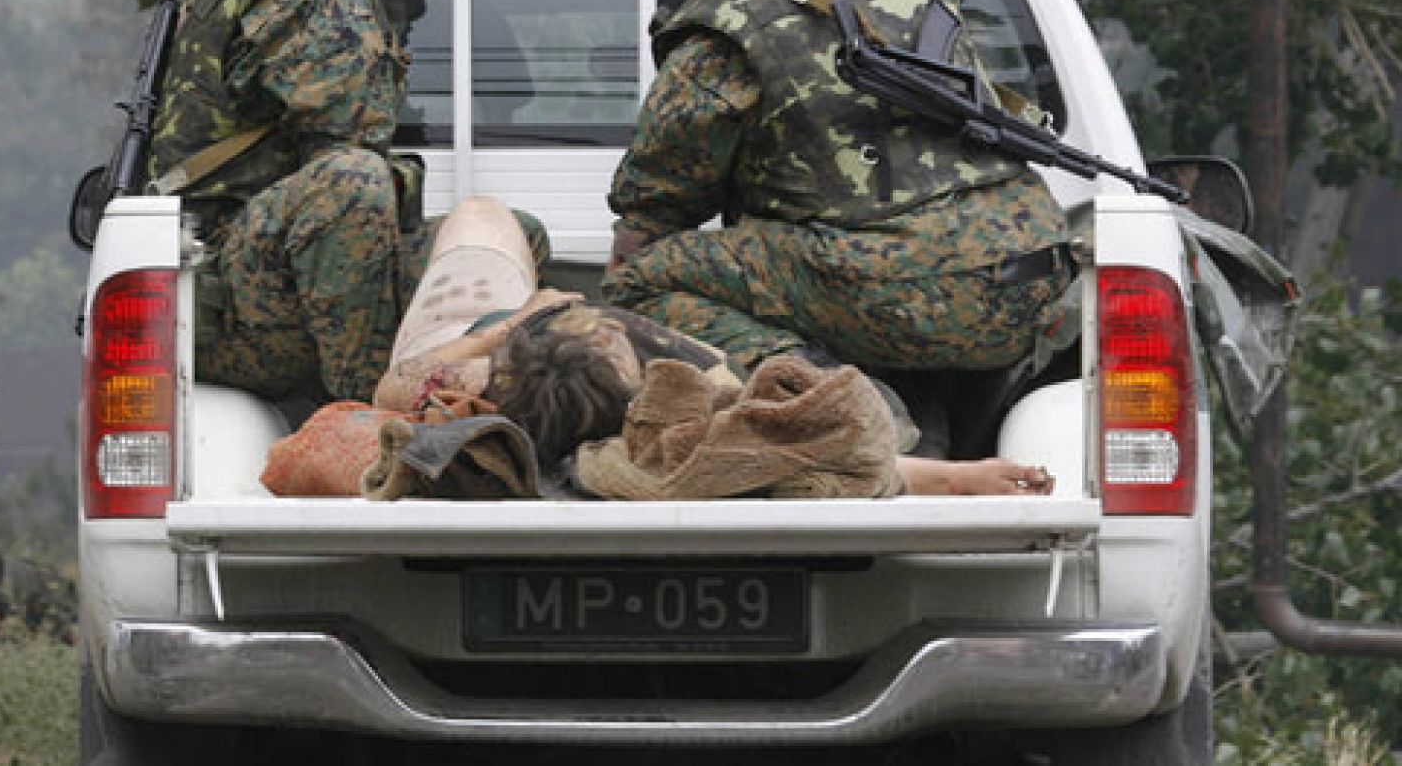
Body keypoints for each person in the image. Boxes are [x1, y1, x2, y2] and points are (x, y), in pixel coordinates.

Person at [602, 0, 1073, 409]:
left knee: (635, 286)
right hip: (1031, 271)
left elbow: (651, 212)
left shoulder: (711, 48)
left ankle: (835, 401)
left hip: (887, 296)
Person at [373, 197, 1053, 496]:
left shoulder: (482, 380)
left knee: (486, 215)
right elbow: (818, 456)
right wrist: (963, 476)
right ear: (634, 385)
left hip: (470, 322)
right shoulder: (697, 406)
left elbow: (393, 387)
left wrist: (511, 323)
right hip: (515, 343)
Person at [145, 0, 439, 405]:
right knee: (353, 180)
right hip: (240, 298)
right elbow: (353, 145)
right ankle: (365, 409)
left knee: (511, 233)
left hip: (239, 276)